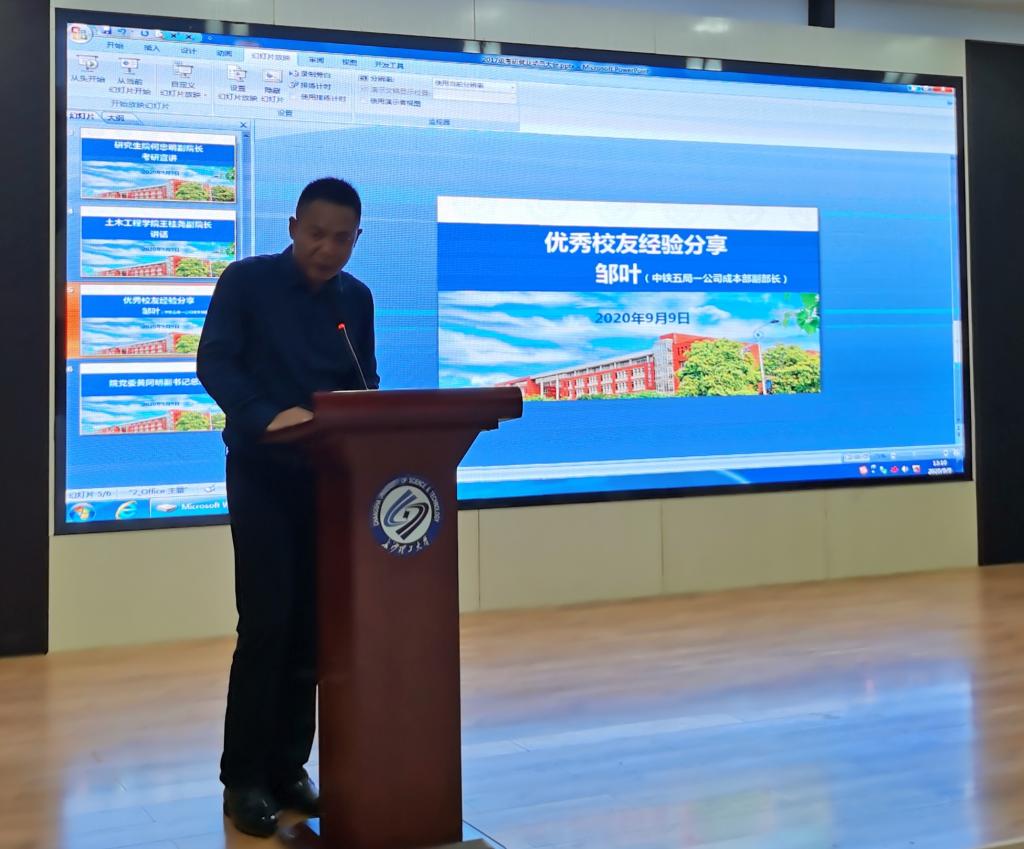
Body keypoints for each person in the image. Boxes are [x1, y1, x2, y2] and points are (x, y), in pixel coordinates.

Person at [196, 177, 379, 838]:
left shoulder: (356, 299)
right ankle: (243, 778)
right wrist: (268, 415)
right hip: (263, 475)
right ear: (294, 226)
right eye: (317, 234)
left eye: (342, 239)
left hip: (328, 481)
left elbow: (365, 380)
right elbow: (215, 362)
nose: (327, 249)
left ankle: (289, 768)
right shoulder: (245, 282)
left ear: (357, 239)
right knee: (268, 623)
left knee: (312, 628)